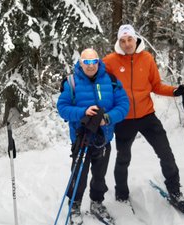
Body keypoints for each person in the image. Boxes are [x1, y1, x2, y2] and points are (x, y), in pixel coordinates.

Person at [103, 24, 184, 211]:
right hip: (124, 118)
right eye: (123, 41)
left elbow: (156, 86)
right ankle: (121, 194)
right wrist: (71, 82)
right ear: (119, 42)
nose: (127, 44)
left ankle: (175, 191)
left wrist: (175, 91)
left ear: (136, 39)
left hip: (147, 116)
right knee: (123, 158)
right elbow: (91, 73)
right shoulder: (110, 61)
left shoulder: (147, 58)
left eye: (129, 39)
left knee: (165, 153)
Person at [57, 48, 129, 224]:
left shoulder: (111, 80)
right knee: (79, 174)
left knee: (99, 174)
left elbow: (123, 105)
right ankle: (74, 204)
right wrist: (83, 112)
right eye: (86, 62)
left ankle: (97, 203)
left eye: (93, 61)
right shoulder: (71, 82)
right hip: (82, 139)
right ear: (80, 63)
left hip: (103, 137)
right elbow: (62, 108)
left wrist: (108, 118)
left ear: (98, 62)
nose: (90, 66)